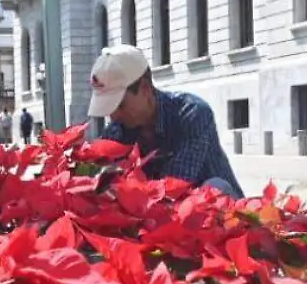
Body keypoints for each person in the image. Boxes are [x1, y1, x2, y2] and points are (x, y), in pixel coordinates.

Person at [86, 44, 243, 198]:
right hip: (159, 214)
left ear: (145, 88)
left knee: (216, 186)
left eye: (120, 105)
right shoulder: (116, 130)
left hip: (217, 212)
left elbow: (174, 186)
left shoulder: (191, 114)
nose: (113, 116)